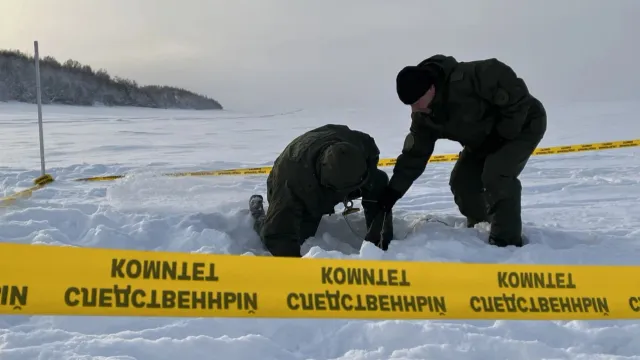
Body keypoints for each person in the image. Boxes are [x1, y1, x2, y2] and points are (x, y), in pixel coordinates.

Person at [376, 54, 547, 247]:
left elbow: (515, 93)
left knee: (497, 174)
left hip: (523, 124)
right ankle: (483, 225)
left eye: (417, 102)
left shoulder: (470, 78)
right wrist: (394, 191)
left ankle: (506, 243)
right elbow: (414, 155)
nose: (414, 109)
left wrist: (503, 133)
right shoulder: (423, 117)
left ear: (431, 88)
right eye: (410, 105)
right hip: (483, 140)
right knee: (462, 181)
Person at [248, 124, 394, 257]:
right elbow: (277, 236)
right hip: (297, 185)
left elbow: (372, 156)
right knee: (297, 234)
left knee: (378, 181)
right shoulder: (291, 183)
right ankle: (259, 217)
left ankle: (379, 242)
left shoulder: (360, 144)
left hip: (330, 172)